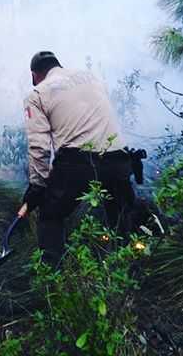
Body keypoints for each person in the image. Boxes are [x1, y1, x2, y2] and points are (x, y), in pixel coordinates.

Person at [20, 51, 135, 265]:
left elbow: (39, 146)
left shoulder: (37, 94)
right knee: (120, 221)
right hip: (119, 159)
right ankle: (127, 276)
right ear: (57, 65)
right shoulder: (91, 78)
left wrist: (37, 187)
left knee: (50, 215)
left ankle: (52, 280)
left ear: (35, 75)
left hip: (77, 164)